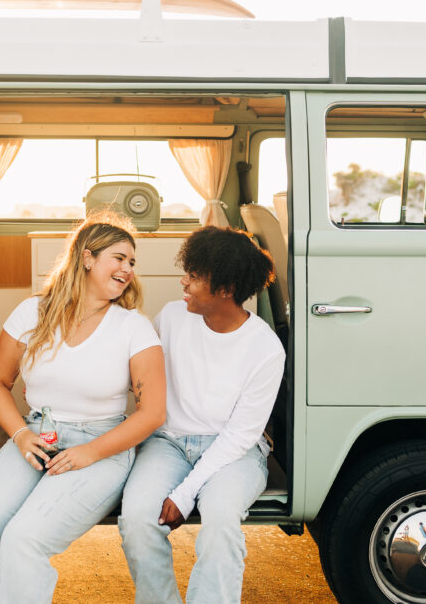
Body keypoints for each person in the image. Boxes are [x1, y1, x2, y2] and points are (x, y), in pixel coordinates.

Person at [0, 215, 166, 604]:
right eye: (119, 258)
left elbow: (152, 413)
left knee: (23, 540)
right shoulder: (31, 312)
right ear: (87, 258)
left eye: (132, 263)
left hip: (101, 445)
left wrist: (89, 453)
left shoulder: (133, 326)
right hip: (37, 437)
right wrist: (21, 435)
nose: (127, 270)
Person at [118, 226, 286, 604]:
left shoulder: (266, 348)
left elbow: (241, 436)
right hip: (168, 442)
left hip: (235, 453)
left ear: (225, 289)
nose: (184, 282)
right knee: (137, 521)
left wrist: (186, 491)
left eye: (194, 277)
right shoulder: (172, 317)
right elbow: (142, 376)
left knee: (221, 523)